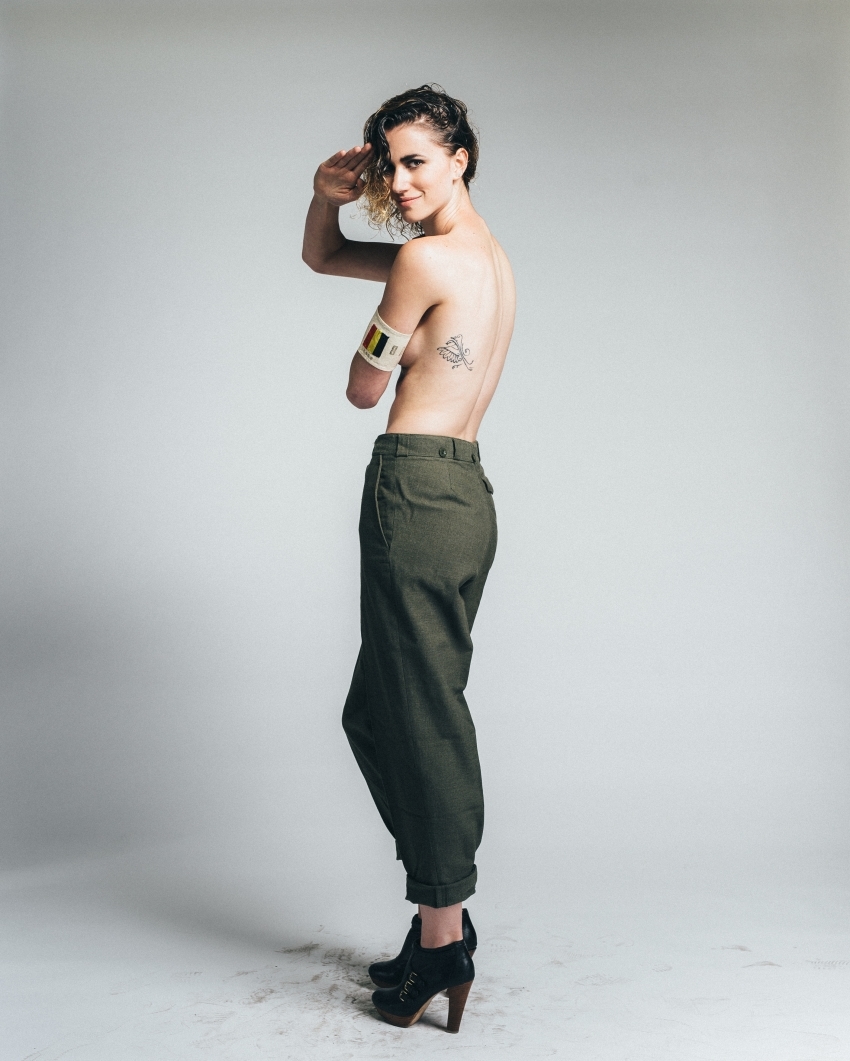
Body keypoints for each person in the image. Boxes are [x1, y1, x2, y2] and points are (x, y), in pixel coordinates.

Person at [302, 84, 515, 1033]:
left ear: (461, 156)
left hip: (415, 489)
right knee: (380, 711)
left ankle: (441, 933)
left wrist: (380, 344)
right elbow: (325, 254)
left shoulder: (425, 259)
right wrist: (325, 199)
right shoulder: (483, 256)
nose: (400, 179)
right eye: (389, 164)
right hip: (465, 493)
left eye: (416, 159)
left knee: (421, 717)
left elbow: (363, 387)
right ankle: (442, 911)